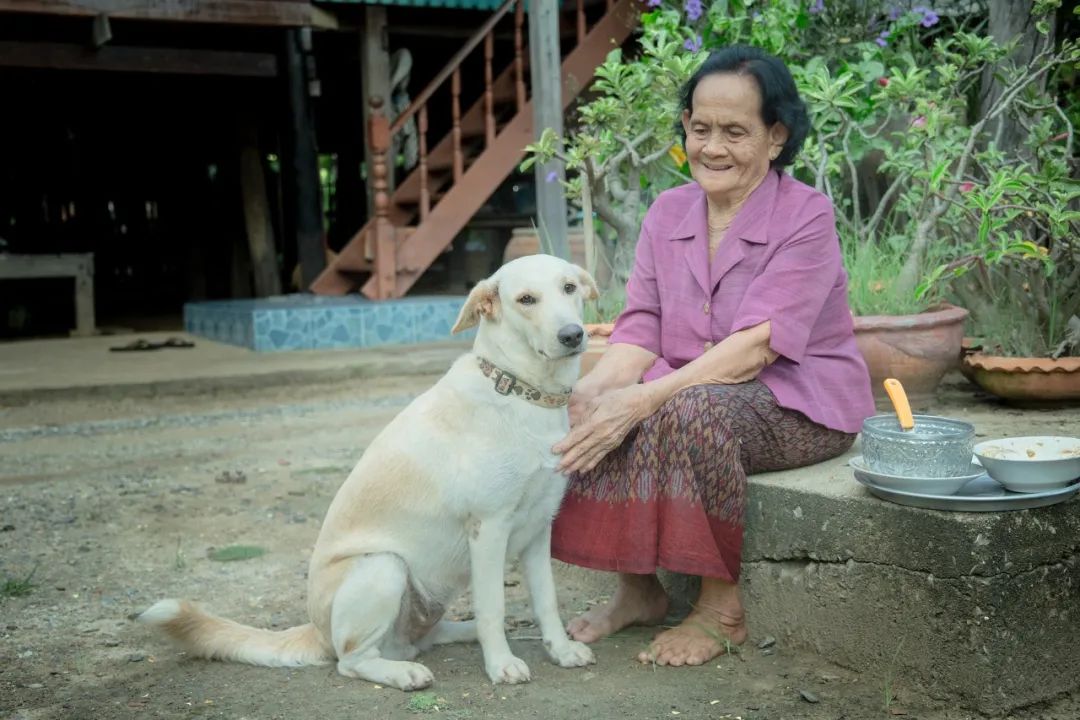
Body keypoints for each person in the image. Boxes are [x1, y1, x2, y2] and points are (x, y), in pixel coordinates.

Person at [549, 44, 876, 667]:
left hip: (799, 405)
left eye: (735, 132)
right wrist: (595, 393)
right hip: (697, 391)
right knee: (594, 401)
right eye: (700, 129)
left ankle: (721, 607)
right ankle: (638, 592)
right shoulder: (669, 210)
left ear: (775, 137)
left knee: (680, 408)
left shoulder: (806, 213)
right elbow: (640, 327)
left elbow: (756, 348)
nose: (713, 147)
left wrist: (642, 397)